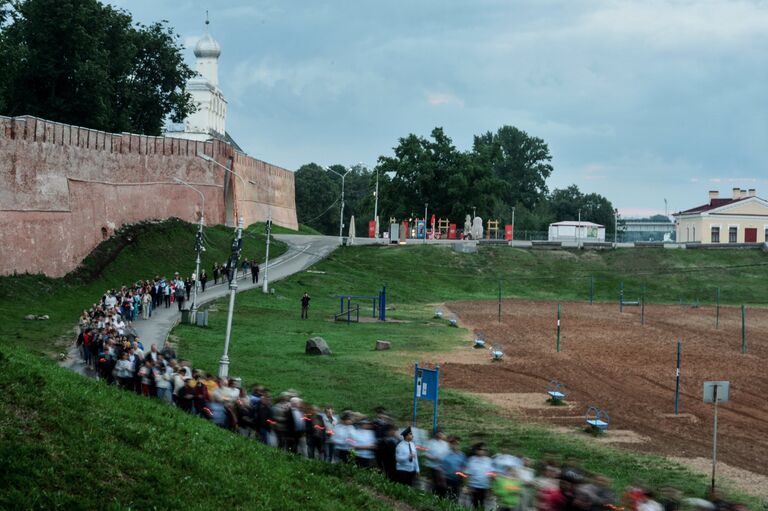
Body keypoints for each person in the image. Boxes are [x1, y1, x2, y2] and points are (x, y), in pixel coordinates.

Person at [465, 443, 494, 509]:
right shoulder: (472, 460)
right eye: (481, 449)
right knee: (475, 505)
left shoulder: (489, 460)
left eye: (484, 449)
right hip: (474, 487)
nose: (483, 451)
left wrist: (490, 489)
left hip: (485, 487)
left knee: (483, 505)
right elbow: (468, 474)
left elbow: (491, 475)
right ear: (476, 450)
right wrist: (468, 486)